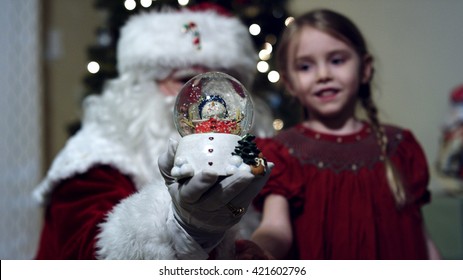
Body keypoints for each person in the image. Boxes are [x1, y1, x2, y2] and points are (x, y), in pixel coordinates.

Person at [33, 3, 274, 259]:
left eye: (223, 84)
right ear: (143, 86)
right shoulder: (92, 158)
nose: (207, 101)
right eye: (186, 80)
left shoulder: (263, 155)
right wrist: (182, 228)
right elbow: (90, 251)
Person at [249, 9, 440, 259]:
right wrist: (258, 252)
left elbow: (420, 237)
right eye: (305, 66)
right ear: (290, 83)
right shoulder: (282, 153)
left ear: (365, 69)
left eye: (337, 60)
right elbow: (275, 228)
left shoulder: (400, 146)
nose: (323, 75)